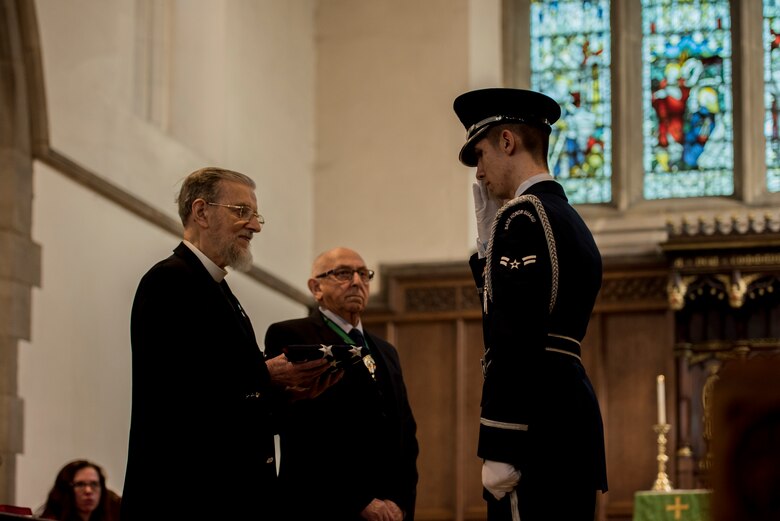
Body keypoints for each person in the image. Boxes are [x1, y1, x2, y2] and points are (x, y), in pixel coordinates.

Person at [122, 167, 338, 520]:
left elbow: (230, 396)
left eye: (255, 216)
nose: (254, 226)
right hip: (188, 495)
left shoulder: (218, 289)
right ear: (201, 212)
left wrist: (290, 393)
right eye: (242, 212)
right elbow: (175, 392)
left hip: (228, 494)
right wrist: (263, 374)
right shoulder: (169, 281)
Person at [452, 88, 608, 520]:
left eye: (480, 155)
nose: (480, 173)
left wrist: (500, 442)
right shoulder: (568, 219)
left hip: (535, 426)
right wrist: (487, 253)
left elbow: (512, 335)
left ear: (507, 141)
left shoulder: (523, 216)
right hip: (568, 417)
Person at [264, 247, 419, 521]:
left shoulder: (385, 350)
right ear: (316, 287)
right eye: (344, 273)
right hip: (323, 504)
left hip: (389, 510)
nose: (357, 281)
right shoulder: (291, 335)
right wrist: (359, 501)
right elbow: (303, 431)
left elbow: (405, 433)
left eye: (363, 274)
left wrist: (399, 500)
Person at [39, 460, 121, 521]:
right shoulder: (51, 519)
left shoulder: (111, 514)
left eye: (94, 484)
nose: (88, 491)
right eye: (80, 484)